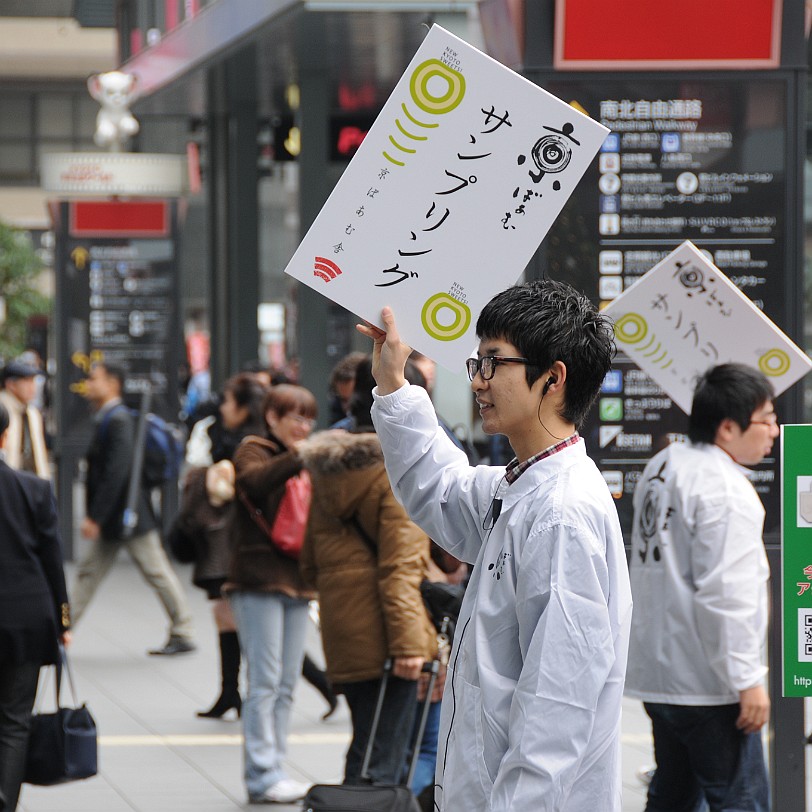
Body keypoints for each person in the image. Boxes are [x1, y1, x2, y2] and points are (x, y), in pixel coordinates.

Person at [357, 279, 633, 811]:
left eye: (493, 363)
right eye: (476, 363)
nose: (479, 381)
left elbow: (557, 705)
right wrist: (393, 383)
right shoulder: (523, 484)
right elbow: (439, 489)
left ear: (552, 379)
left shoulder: (561, 513)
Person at [625, 363, 777, 812]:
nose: (775, 431)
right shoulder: (726, 490)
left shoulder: (663, 464)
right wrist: (747, 680)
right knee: (740, 800)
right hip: (709, 684)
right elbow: (727, 594)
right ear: (728, 428)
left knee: (672, 795)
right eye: (766, 419)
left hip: (659, 673)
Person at [299, 357, 437, 786]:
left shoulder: (328, 469)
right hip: (386, 634)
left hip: (344, 629)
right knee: (382, 761)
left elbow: (309, 562)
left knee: (365, 747)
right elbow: (399, 568)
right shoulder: (396, 471)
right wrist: (410, 644)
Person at [223, 384, 318, 804]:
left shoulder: (303, 456)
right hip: (258, 578)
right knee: (264, 681)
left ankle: (275, 767)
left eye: (308, 418)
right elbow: (254, 482)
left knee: (284, 683)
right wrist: (300, 455)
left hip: (298, 580)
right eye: (295, 417)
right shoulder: (253, 449)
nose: (303, 426)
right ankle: (262, 775)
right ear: (273, 417)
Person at [70, 362, 196, 656]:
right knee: (93, 574)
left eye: (94, 378)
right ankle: (60, 629)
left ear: (113, 383)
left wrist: (95, 516)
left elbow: (117, 472)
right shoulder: (110, 418)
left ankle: (184, 629)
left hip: (127, 514)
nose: (88, 384)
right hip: (123, 515)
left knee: (155, 571)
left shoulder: (118, 421)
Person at [178, 373, 268, 719]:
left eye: (229, 401)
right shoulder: (220, 433)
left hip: (237, 539)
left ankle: (320, 683)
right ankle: (229, 692)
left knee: (245, 620)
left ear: (244, 407)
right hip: (220, 537)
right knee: (226, 613)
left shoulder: (252, 443)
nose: (223, 407)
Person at [0, 402, 71, 812]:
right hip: (25, 618)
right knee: (13, 721)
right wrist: (64, 619)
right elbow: (52, 561)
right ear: (5, 436)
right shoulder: (34, 489)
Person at [0, 359, 49, 479]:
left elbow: (39, 453)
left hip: (32, 481)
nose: (32, 387)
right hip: (7, 482)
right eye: (27, 381)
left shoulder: (32, 413)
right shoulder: (2, 409)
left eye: (33, 381)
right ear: (10, 384)